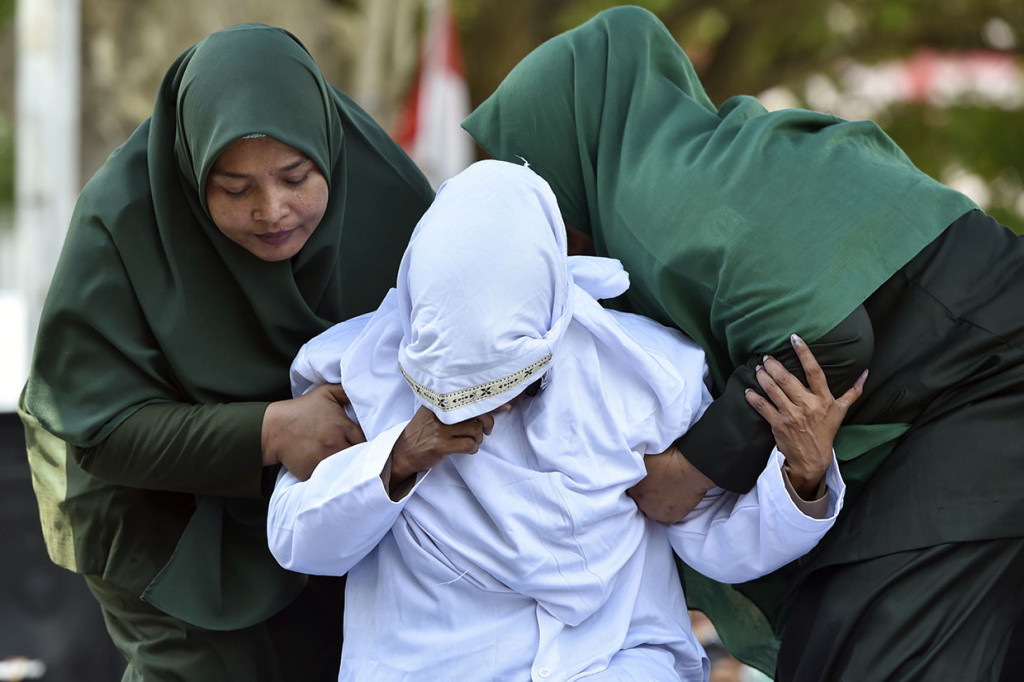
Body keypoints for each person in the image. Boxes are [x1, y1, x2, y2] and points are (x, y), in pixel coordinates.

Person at [461, 6, 1024, 681]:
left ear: (563, 142)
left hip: (992, 376)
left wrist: (687, 474)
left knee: (867, 644)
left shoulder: (656, 207)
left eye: (521, 168)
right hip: (966, 380)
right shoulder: (711, 161)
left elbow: (827, 341)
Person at [267, 159, 862, 681]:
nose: (488, 410)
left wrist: (801, 480)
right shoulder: (357, 373)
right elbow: (299, 542)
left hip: (614, 662)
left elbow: (713, 540)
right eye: (459, 391)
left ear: (551, 322)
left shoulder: (647, 377)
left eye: (508, 382)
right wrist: (396, 458)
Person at [17, 24, 434, 681]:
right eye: (235, 189)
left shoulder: (395, 204)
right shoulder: (124, 223)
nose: (273, 210)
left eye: (296, 176)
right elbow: (102, 433)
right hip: (164, 516)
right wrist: (271, 429)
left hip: (337, 513)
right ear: (191, 172)